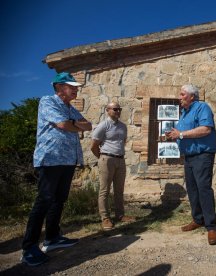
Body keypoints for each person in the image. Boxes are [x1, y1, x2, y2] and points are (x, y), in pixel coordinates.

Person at [21, 72, 92, 266]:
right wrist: (71, 124)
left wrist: (72, 124)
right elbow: (62, 124)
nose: (76, 89)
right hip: (50, 158)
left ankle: (52, 238)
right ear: (60, 88)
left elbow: (89, 125)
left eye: (76, 87)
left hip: (68, 160)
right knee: (44, 200)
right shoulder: (48, 101)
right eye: (72, 86)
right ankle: (29, 248)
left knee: (59, 200)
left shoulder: (69, 107)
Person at [166, 84, 216, 245]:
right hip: (189, 156)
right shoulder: (184, 113)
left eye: (182, 94)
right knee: (192, 189)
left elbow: (205, 130)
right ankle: (198, 219)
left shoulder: (202, 107)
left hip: (202, 155)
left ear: (191, 96)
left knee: (203, 189)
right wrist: (174, 135)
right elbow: (184, 134)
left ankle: (212, 227)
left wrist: (180, 134)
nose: (179, 97)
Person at [91, 102, 135, 230]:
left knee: (119, 190)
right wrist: (102, 157)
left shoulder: (123, 126)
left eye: (119, 109)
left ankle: (120, 215)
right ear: (107, 110)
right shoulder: (103, 125)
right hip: (107, 159)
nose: (118, 111)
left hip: (120, 160)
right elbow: (94, 145)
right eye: (115, 109)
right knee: (104, 190)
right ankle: (105, 218)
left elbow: (122, 142)